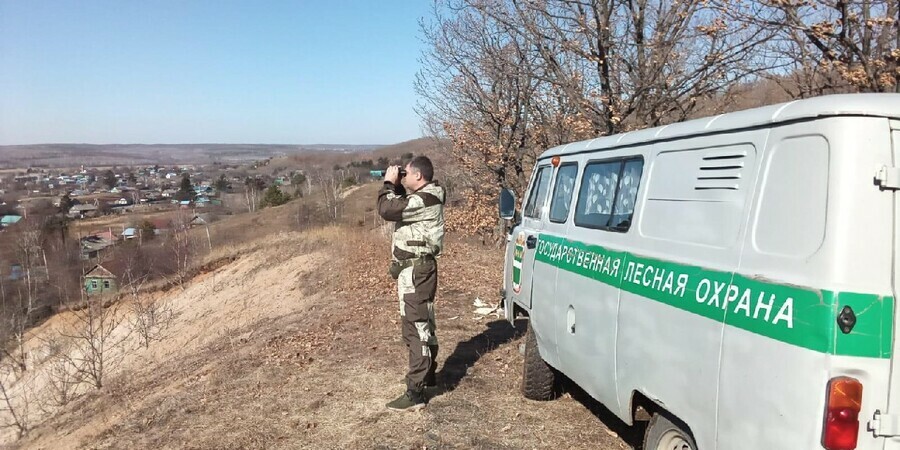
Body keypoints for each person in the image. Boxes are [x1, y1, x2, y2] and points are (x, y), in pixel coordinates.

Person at [377, 156, 445, 411]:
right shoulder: (424, 197)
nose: (402, 179)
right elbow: (399, 204)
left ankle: (415, 392)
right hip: (414, 271)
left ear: (418, 176)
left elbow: (387, 209)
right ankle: (427, 379)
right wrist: (396, 186)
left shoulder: (426, 199)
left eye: (406, 175)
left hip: (417, 272)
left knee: (416, 329)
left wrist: (387, 182)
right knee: (421, 324)